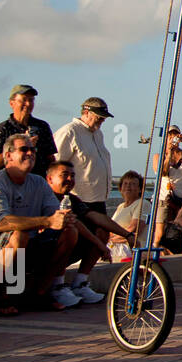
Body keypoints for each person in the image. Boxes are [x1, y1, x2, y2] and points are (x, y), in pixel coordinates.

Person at [0, 135, 80, 311]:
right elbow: (0, 223)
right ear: (8, 156)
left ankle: (39, 294)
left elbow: (53, 214)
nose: (30, 153)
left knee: (70, 232)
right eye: (24, 150)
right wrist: (46, 221)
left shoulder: (39, 182)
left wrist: (64, 220)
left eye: (32, 150)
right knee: (19, 235)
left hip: (30, 245)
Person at [44, 161, 134, 303]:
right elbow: (74, 223)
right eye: (64, 175)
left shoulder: (71, 199)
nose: (70, 180)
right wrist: (99, 244)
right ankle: (57, 286)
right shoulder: (45, 196)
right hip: (42, 248)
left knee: (102, 231)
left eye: (72, 176)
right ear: (49, 179)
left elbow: (96, 217)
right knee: (70, 230)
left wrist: (128, 235)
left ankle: (80, 283)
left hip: (63, 249)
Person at [53, 97, 114, 286]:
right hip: (78, 198)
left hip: (98, 199)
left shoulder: (98, 134)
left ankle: (81, 281)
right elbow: (56, 166)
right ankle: (59, 282)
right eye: (99, 117)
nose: (102, 121)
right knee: (74, 241)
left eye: (104, 117)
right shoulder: (69, 132)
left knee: (102, 234)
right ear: (86, 112)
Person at [0, 84, 56, 176]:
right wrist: (22, 146)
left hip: (37, 183)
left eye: (31, 100)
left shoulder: (42, 127)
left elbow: (51, 160)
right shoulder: (3, 129)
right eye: (24, 100)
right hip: (10, 183)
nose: (28, 104)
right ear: (12, 103)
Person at [110, 170, 147, 259]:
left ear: (140, 189)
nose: (128, 186)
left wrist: (111, 239)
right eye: (125, 183)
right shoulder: (121, 207)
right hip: (116, 246)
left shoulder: (142, 203)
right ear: (120, 188)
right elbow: (110, 228)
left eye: (133, 184)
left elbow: (134, 230)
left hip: (130, 249)